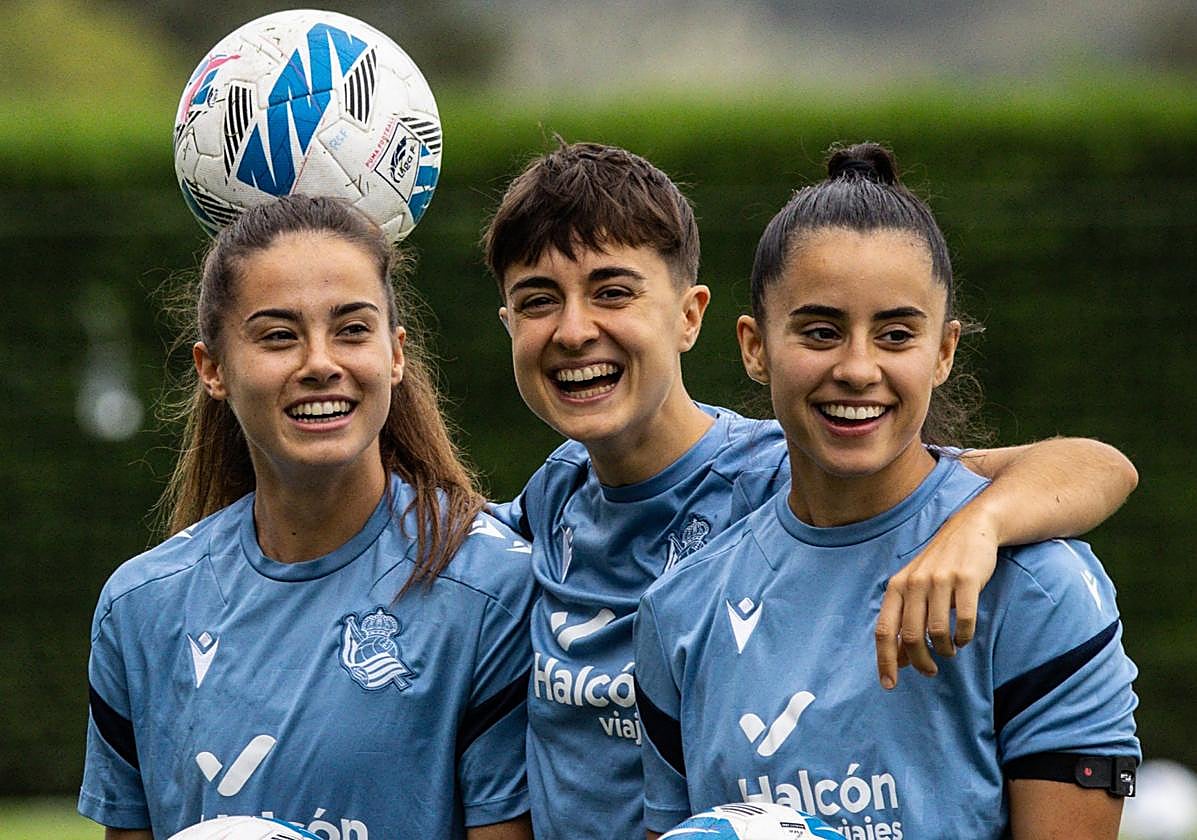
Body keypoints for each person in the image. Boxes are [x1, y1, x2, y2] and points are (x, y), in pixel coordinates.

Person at [482, 141, 1138, 840]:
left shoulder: (1015, 575)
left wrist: (978, 529)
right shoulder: (581, 526)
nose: (856, 369)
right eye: (820, 332)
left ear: (942, 351)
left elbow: (1090, 466)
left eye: (894, 334)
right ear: (754, 346)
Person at [79, 196, 534, 840]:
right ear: (213, 369)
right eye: (278, 336)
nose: (321, 363)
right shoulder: (139, 610)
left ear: (395, 354)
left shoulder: (492, 588)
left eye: (352, 329)